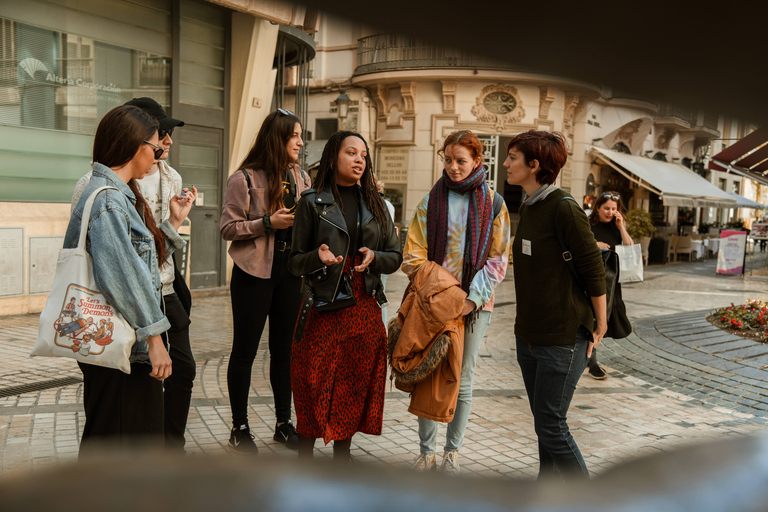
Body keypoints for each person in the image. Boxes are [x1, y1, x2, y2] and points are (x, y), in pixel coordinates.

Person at [72, 97, 198, 453]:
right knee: (118, 439)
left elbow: (141, 262)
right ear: (134, 145)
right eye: (155, 146)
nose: (159, 154)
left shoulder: (121, 195)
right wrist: (156, 340)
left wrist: (173, 223)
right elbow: (125, 277)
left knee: (120, 437)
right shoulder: (109, 199)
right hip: (122, 339)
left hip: (120, 338)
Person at [287, 130, 402, 462]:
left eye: (363, 155)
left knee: (355, 380)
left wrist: (375, 257)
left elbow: (395, 256)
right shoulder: (311, 201)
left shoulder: (377, 205)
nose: (359, 160)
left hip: (364, 304)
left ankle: (343, 456)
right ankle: (304, 458)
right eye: (352, 153)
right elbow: (294, 262)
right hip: (323, 303)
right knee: (312, 379)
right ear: (333, 156)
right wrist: (317, 257)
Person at [402, 130, 511, 475]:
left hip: (475, 307)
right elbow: (412, 255)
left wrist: (471, 300)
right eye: (447, 160)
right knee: (428, 372)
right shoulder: (429, 202)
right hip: (433, 305)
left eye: (460, 160)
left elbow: (498, 260)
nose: (452, 167)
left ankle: (452, 452)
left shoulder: (494, 204)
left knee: (462, 377)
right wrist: (440, 296)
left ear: (477, 161)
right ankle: (426, 453)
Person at [505, 129, 606, 479]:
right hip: (529, 336)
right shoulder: (529, 205)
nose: (505, 163)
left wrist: (601, 322)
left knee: (552, 426)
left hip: (562, 339)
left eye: (512, 158)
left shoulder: (564, 208)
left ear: (534, 165)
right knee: (543, 425)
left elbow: (594, 267)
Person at [220, 108, 311, 453]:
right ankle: (239, 427)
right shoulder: (243, 178)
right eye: (295, 135)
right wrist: (267, 223)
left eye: (301, 136)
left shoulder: (301, 177)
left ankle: (283, 424)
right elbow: (228, 229)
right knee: (244, 351)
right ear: (279, 137)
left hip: (291, 275)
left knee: (283, 353)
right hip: (253, 275)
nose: (301, 142)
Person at [586, 191, 634, 380]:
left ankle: (589, 358)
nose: (610, 212)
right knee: (593, 319)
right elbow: (578, 245)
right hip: (591, 279)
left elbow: (630, 248)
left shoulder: (616, 227)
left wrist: (622, 227)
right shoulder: (588, 225)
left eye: (614, 209)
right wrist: (594, 243)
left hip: (611, 281)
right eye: (606, 208)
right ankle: (592, 363)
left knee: (603, 319)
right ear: (597, 208)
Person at [376, 180, 397, 325]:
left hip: (379, 254)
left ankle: (382, 330)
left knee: (379, 295)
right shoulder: (388, 205)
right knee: (380, 294)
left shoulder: (382, 205)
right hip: (383, 253)